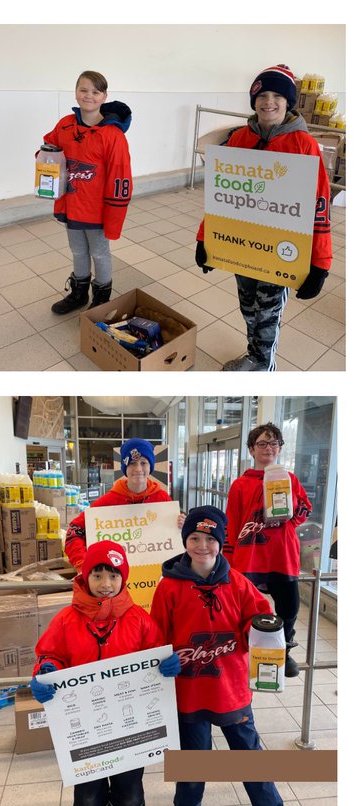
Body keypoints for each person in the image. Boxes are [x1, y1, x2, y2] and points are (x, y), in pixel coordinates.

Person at [151, 506, 293, 806]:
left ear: (221, 542)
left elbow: (259, 622)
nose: (202, 546)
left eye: (210, 539)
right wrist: (161, 659)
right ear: (185, 542)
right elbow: (155, 636)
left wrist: (262, 632)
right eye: (194, 538)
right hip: (189, 691)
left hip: (230, 689)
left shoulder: (239, 583)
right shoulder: (168, 588)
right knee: (194, 757)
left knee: (248, 755)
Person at [31, 540, 164, 806]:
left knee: (129, 785)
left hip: (129, 724)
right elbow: (50, 654)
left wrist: (165, 665)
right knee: (88, 789)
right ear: (85, 577)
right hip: (84, 727)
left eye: (114, 576)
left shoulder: (139, 620)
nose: (106, 584)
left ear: (124, 578)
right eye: (98, 575)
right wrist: (47, 672)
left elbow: (155, 654)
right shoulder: (65, 620)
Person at [195, 65, 332, 371]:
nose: (268, 102)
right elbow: (222, 197)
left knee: (267, 312)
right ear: (254, 100)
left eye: (277, 96)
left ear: (288, 102)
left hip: (281, 249)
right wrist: (206, 240)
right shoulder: (240, 139)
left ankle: (263, 366)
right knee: (248, 307)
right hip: (242, 245)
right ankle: (253, 354)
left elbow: (319, 204)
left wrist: (320, 263)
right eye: (262, 95)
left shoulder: (304, 145)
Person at [224, 422, 312, 678]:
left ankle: (284, 650)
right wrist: (229, 560)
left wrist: (289, 519)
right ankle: (246, 650)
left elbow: (306, 509)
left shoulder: (290, 479)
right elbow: (232, 523)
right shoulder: (240, 484)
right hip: (249, 557)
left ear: (280, 448)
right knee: (247, 608)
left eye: (274, 443)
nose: (268, 448)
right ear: (251, 449)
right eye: (262, 443)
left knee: (290, 607)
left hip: (282, 556)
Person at [41, 70, 132, 314]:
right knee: (78, 250)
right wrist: (44, 158)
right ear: (76, 92)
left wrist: (114, 217)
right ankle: (79, 293)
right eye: (83, 90)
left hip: (98, 210)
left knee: (100, 253)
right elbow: (49, 148)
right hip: (72, 205)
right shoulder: (65, 125)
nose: (88, 96)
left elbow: (120, 178)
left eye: (95, 91)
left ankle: (102, 298)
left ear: (104, 96)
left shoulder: (113, 136)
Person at [65, 438, 185, 567]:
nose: (138, 468)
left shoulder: (162, 499)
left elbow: (177, 539)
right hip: (116, 582)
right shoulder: (108, 501)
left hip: (155, 578)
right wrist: (82, 563)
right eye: (132, 463)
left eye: (143, 463)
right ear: (125, 467)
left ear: (150, 466)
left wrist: (183, 527)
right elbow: (74, 531)